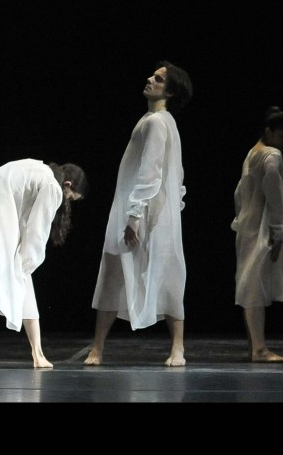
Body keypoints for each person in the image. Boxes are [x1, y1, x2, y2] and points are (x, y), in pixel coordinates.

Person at [85, 61, 193, 366]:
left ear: (170, 91)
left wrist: (134, 216)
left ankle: (177, 348)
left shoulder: (158, 122)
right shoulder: (158, 120)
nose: (150, 79)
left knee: (166, 275)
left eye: (158, 79)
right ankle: (97, 348)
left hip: (148, 214)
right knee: (116, 273)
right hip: (151, 211)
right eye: (153, 76)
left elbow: (151, 171)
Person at [0, 159, 88, 369]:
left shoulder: (38, 169)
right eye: (71, 198)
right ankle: (27, 354)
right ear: (68, 185)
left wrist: (22, 268)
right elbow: (37, 233)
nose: (68, 202)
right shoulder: (52, 187)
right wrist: (26, 265)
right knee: (1, 284)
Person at [232, 106, 283, 362]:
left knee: (250, 286)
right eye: (282, 136)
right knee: (255, 288)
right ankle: (259, 349)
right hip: (261, 228)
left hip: (247, 225)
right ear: (269, 132)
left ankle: (255, 346)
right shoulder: (271, 156)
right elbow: (277, 197)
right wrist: (279, 233)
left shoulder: (252, 154)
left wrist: (240, 219)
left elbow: (239, 193)